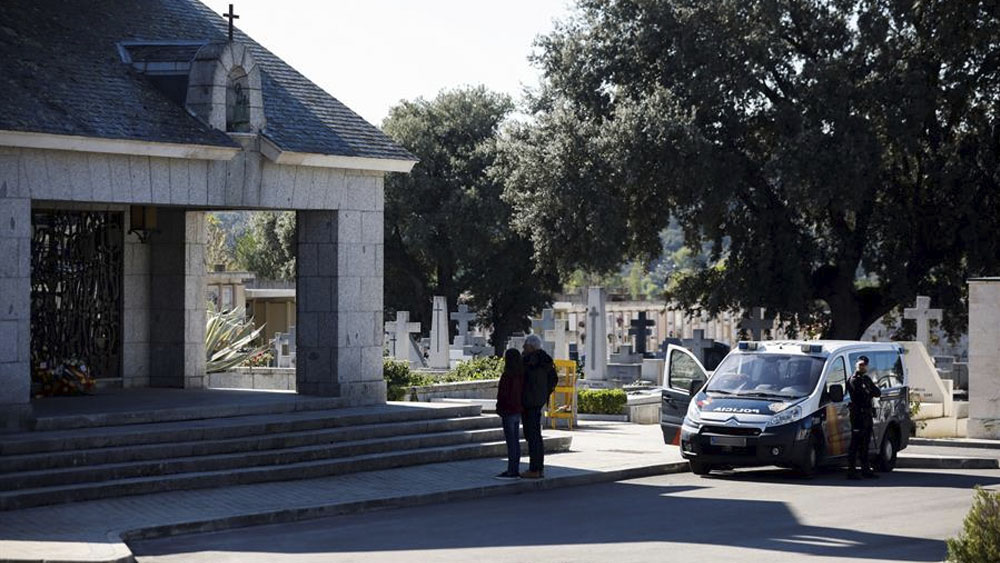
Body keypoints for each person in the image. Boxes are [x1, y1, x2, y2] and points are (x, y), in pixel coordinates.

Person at [520, 334, 558, 479]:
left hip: (529, 403)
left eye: (525, 345)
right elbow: (553, 380)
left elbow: (523, 380)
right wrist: (544, 395)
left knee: (532, 437)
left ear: (531, 346)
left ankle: (534, 469)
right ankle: (538, 468)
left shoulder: (530, 361)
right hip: (538, 402)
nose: (523, 347)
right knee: (536, 436)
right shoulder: (546, 360)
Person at [846, 355, 882, 480]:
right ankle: (851, 471)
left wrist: (869, 390)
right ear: (856, 365)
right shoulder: (853, 380)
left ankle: (865, 470)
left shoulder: (866, 379)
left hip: (867, 415)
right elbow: (861, 395)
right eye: (860, 364)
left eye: (864, 365)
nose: (863, 366)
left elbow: (877, 392)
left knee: (865, 443)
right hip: (857, 416)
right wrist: (868, 391)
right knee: (855, 443)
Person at [494, 348, 525, 480]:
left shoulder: (508, 375)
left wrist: (499, 408)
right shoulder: (521, 374)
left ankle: (512, 470)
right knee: (515, 442)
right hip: (517, 410)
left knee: (511, 442)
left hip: (508, 411)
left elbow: (503, 394)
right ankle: (515, 468)